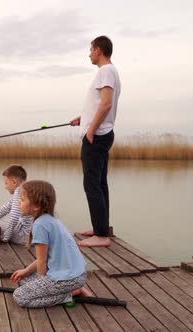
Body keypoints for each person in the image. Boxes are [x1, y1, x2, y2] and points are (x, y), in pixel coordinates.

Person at [70, 35, 121, 247]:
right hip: (101, 133)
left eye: (91, 50)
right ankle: (101, 228)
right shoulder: (110, 72)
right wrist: (84, 118)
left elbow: (107, 104)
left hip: (97, 136)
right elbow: (100, 105)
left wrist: (90, 129)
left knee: (92, 184)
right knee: (99, 183)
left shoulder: (105, 71)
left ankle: (101, 236)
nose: (89, 54)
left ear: (98, 50)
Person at [10, 180, 92, 308]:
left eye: (22, 199)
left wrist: (42, 283)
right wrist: (26, 271)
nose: (19, 203)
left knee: (19, 296)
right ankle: (74, 288)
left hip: (68, 279)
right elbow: (44, 258)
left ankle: (70, 294)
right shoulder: (50, 220)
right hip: (77, 275)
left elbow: (42, 262)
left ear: (36, 206)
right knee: (24, 280)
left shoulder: (40, 225)